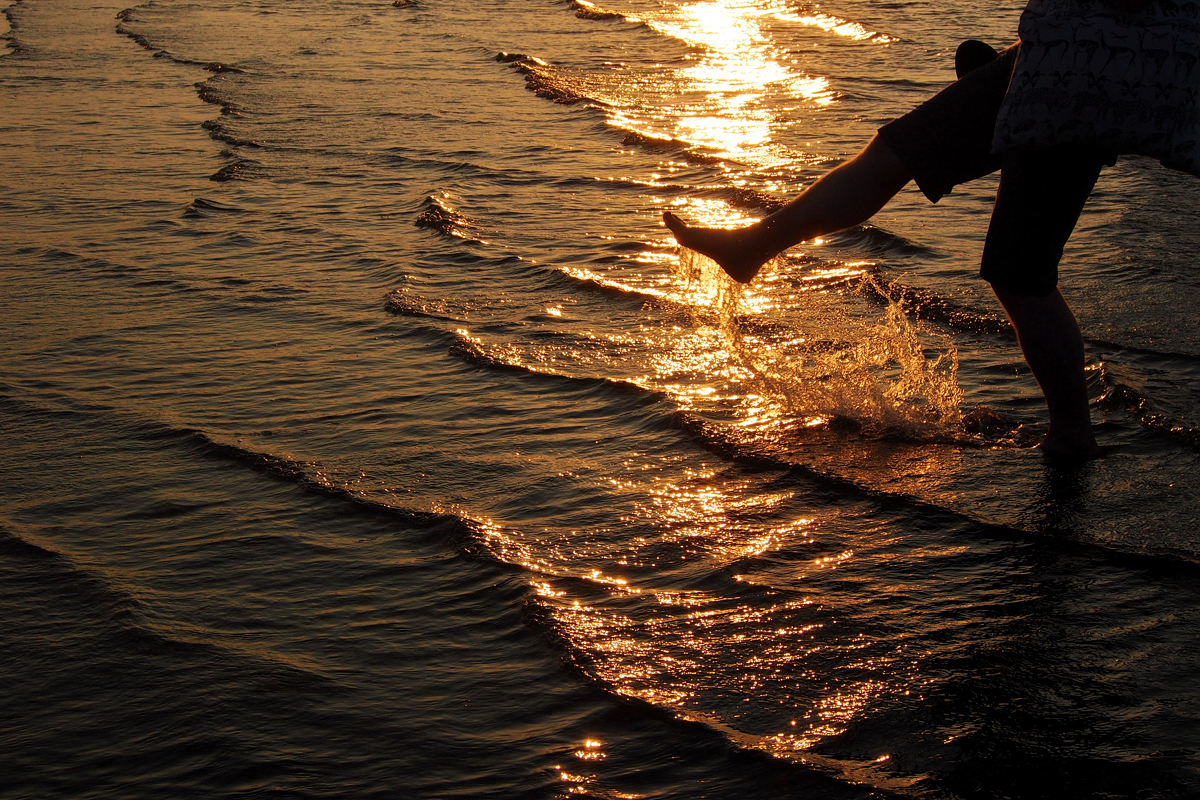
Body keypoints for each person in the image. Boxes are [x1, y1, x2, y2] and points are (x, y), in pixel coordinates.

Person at [664, 37, 1115, 460]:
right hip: (1059, 59)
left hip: (1071, 70)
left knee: (1014, 264)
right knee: (901, 156)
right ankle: (752, 245)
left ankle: (1073, 437)